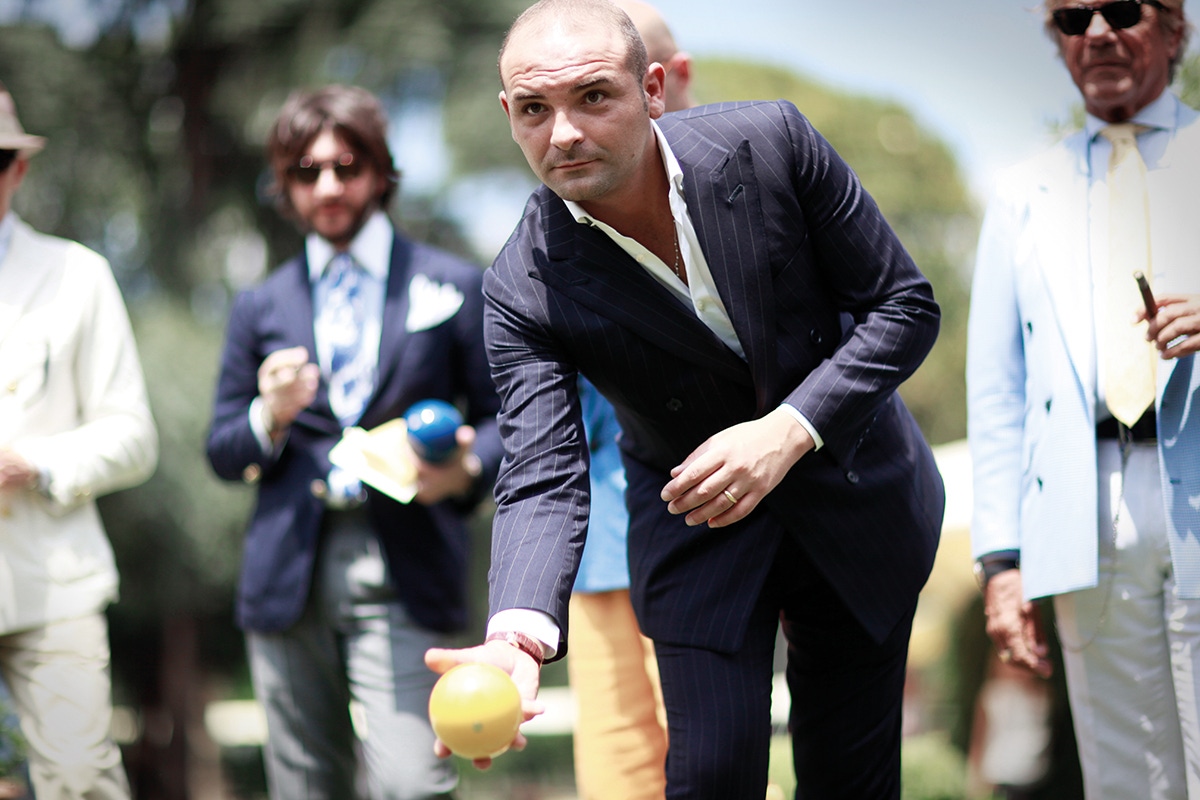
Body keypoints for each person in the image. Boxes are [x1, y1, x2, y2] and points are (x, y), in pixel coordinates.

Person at [425, 1, 946, 797]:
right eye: (534, 109)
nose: (561, 132)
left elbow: (903, 307)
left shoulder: (773, 142)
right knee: (706, 781)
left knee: (851, 782)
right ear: (510, 115)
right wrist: (517, 641)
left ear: (654, 88)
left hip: (855, 492)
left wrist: (787, 430)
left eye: (593, 96)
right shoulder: (520, 285)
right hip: (698, 526)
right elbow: (542, 473)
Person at [205, 84, 502, 800]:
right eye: (307, 172)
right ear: (285, 185)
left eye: (346, 165)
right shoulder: (259, 304)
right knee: (306, 790)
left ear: (379, 171)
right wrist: (268, 416)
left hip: (408, 562)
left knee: (411, 782)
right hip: (287, 571)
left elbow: (509, 422)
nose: (329, 185)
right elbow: (222, 449)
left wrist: (463, 469)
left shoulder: (453, 284)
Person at [967, 0, 1200, 796]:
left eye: (1123, 9)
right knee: (1128, 779)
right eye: (1073, 17)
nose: (1097, 32)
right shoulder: (1022, 194)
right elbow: (998, 392)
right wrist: (1001, 562)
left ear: (1174, 30)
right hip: (1080, 513)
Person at [0, 82, 158, 798]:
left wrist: (32, 463)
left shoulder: (78, 275)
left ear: (19, 169)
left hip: (53, 581)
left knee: (80, 782)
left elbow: (133, 437)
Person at [563, 3, 692, 798]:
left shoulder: (747, 197)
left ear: (665, 80)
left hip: (705, 540)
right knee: (617, 779)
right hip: (602, 556)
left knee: (713, 764)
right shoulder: (553, 234)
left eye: (599, 91)